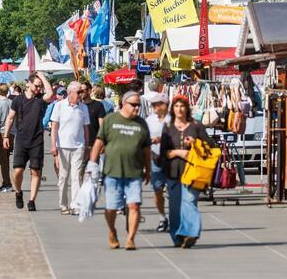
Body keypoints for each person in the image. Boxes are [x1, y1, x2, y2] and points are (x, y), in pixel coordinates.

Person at [89, 91, 151, 251]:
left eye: (139, 105)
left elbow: (146, 150)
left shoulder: (141, 124)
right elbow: (98, 143)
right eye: (134, 105)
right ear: (124, 103)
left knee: (134, 206)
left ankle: (130, 238)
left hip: (134, 173)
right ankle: (112, 232)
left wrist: (148, 169)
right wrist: (92, 164)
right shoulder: (110, 120)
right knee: (111, 208)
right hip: (112, 172)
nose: (137, 108)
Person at [160, 95, 214, 248]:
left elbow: (209, 146)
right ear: (172, 109)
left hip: (193, 172)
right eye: (176, 106)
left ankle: (191, 233)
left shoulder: (196, 126)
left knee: (189, 202)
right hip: (173, 172)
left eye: (182, 106)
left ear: (187, 108)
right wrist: (178, 153)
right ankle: (178, 236)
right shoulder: (168, 127)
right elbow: (164, 152)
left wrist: (194, 143)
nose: (179, 109)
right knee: (175, 207)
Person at [2, 72, 54, 211]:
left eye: (40, 86)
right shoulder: (18, 100)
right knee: (17, 171)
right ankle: (18, 192)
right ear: (28, 84)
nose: (39, 89)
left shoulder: (40, 99)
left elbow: (50, 94)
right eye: (36, 86)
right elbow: (10, 118)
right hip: (21, 140)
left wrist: (42, 77)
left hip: (37, 140)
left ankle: (32, 200)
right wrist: (6, 136)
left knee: (36, 172)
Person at [50, 81, 90, 215]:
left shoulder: (83, 108)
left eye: (81, 92)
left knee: (76, 176)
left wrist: (87, 146)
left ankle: (75, 205)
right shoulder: (59, 106)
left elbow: (86, 128)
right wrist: (53, 146)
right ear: (70, 93)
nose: (80, 94)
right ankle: (63, 204)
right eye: (78, 92)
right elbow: (54, 127)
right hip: (62, 146)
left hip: (78, 146)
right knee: (63, 176)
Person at [145, 91, 170, 232]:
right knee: (157, 190)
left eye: (157, 104)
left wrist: (162, 139)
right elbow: (144, 139)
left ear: (165, 105)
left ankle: (175, 218)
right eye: (153, 104)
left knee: (174, 192)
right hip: (155, 159)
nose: (154, 106)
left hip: (172, 159)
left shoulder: (173, 119)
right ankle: (162, 218)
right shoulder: (149, 120)